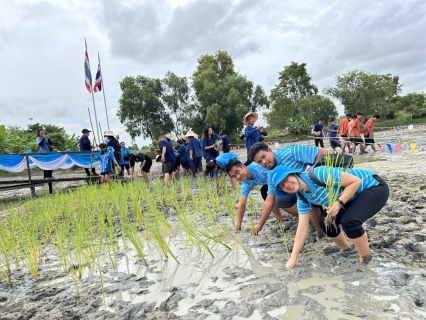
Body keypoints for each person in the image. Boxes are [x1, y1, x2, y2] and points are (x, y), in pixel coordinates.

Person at [270, 164, 389, 269]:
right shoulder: (302, 197)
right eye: (281, 185)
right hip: (351, 197)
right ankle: (346, 249)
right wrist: (293, 258)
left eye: (286, 179)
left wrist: (338, 204)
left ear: (293, 174)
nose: (286, 185)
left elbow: (355, 182)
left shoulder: (319, 173)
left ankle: (365, 259)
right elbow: (302, 228)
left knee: (350, 221)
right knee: (325, 221)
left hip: (373, 186)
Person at [248, 142, 328, 236]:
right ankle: (309, 221)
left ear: (270, 150)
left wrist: (313, 172)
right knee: (280, 200)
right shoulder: (271, 175)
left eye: (263, 157)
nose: (264, 162)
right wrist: (259, 226)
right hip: (299, 192)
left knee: (321, 231)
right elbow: (269, 201)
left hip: (315, 182)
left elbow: (323, 151)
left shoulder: (290, 151)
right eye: (259, 162)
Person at [225, 159, 286, 230]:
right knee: (265, 191)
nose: (238, 177)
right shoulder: (246, 183)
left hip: (285, 178)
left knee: (280, 199)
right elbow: (242, 203)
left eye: (237, 172)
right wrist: (238, 225)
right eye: (234, 176)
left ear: (243, 166)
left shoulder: (260, 168)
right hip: (272, 184)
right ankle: (279, 218)